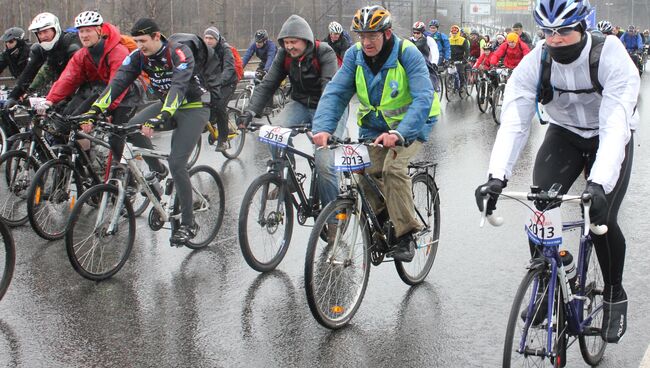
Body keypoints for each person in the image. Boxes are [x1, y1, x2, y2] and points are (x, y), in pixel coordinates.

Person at [475, 0, 638, 344]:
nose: (555, 39)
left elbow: (614, 124)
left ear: (582, 27)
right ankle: (549, 283)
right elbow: (516, 121)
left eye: (563, 31)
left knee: (600, 217)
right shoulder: (537, 61)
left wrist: (597, 183)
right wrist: (496, 176)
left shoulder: (609, 55)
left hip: (608, 136)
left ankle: (613, 294)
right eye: (548, 32)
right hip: (563, 133)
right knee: (540, 205)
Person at [311, 5, 440, 262]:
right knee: (362, 172)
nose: (366, 41)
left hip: (412, 124)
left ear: (387, 33)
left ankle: (405, 235)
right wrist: (323, 128)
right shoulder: (354, 56)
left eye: (373, 35)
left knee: (392, 169)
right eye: (362, 35)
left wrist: (401, 133)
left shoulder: (407, 53)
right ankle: (384, 219)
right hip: (373, 125)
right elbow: (336, 92)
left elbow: (423, 96)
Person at [83, 18, 211, 246]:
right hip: (166, 105)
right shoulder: (138, 57)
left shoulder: (179, 53)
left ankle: (189, 224)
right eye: (136, 41)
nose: (139, 45)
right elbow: (117, 83)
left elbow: (179, 86)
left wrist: (163, 115)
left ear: (156, 36)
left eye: (143, 41)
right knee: (131, 128)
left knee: (178, 163)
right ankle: (157, 170)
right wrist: (95, 109)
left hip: (194, 106)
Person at [237, 15, 347, 223]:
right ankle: (285, 179)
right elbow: (269, 83)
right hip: (299, 103)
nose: (290, 47)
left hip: (329, 105)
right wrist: (250, 112)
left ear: (305, 39)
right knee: (274, 134)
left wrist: (322, 128)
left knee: (324, 162)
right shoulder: (283, 55)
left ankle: (333, 220)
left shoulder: (324, 52)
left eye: (293, 42)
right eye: (286, 43)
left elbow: (329, 90)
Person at [5, 12, 81, 108]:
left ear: (55, 29)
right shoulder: (40, 49)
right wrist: (13, 96)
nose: (42, 36)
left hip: (84, 88)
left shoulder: (71, 44)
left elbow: (76, 76)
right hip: (60, 88)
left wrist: (63, 98)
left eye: (46, 32)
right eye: (39, 33)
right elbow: (28, 74)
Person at [203, 26, 238, 151]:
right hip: (212, 82)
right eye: (206, 38)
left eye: (211, 38)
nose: (208, 41)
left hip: (228, 82)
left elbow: (229, 69)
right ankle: (211, 124)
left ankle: (223, 140)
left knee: (219, 105)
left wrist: (218, 82)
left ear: (217, 39)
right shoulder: (203, 50)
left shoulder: (225, 49)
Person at [410, 21, 440, 90]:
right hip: (413, 63)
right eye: (414, 33)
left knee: (430, 79)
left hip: (425, 63)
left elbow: (434, 50)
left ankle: (433, 89)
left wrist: (434, 62)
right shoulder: (410, 40)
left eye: (418, 33)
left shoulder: (429, 39)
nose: (416, 35)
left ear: (422, 32)